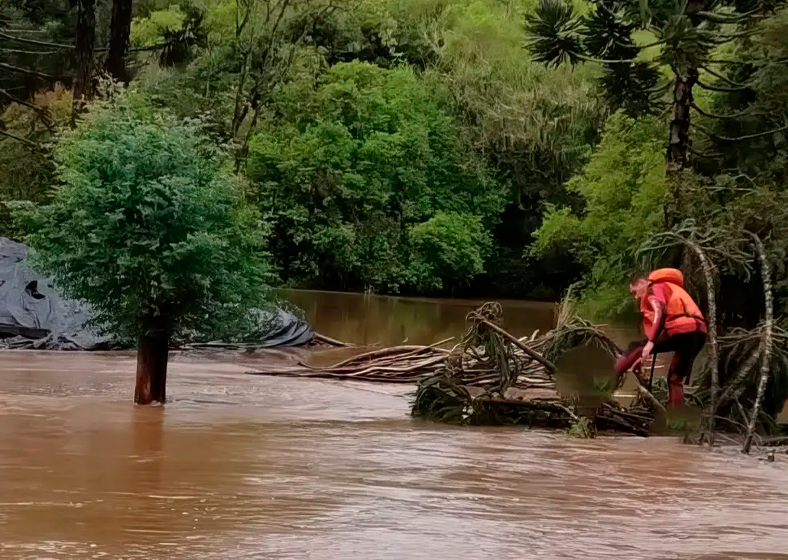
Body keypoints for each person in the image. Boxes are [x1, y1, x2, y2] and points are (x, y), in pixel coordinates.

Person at [614, 268, 707, 407]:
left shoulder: (654, 288)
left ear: (641, 283)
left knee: (636, 347)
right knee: (675, 378)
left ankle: (604, 385)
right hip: (699, 333)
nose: (636, 297)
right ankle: (676, 419)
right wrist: (646, 352)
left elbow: (660, 310)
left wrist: (650, 343)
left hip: (681, 330)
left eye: (634, 292)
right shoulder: (671, 288)